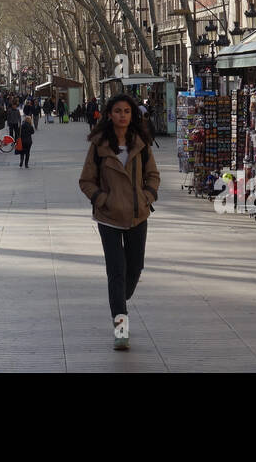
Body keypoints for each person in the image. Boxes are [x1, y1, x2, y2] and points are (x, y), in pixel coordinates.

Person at [78, 93, 160, 351]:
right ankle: (121, 328)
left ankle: (118, 302)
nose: (122, 115)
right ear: (109, 114)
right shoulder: (99, 145)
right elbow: (86, 180)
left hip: (137, 215)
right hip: (109, 217)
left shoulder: (141, 143)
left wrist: (147, 196)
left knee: (134, 269)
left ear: (132, 115)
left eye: (126, 111)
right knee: (116, 272)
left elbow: (153, 175)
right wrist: (101, 199)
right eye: (117, 111)